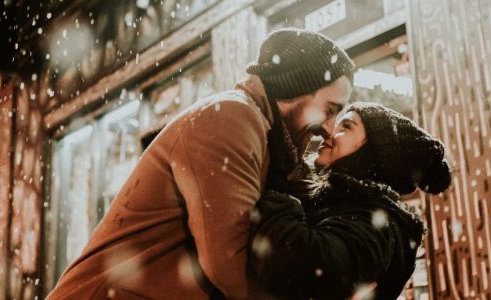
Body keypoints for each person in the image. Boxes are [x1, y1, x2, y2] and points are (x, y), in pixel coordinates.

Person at [46, 28, 355, 299]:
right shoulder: (231, 118)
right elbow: (232, 266)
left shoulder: (263, 134)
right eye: (329, 109)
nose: (329, 128)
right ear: (297, 87)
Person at [247, 102, 452, 300]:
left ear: (372, 153)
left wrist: (277, 190)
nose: (328, 133)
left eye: (346, 126)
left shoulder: (378, 224)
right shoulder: (341, 202)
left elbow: (302, 264)